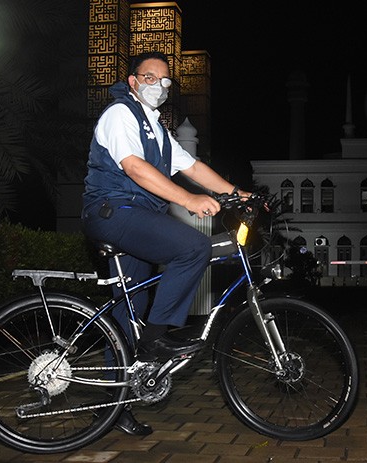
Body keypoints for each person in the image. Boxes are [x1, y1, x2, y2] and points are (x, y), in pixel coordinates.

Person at [81, 51, 245, 436]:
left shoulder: (155, 127)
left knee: (126, 316)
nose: (159, 86)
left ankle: (111, 409)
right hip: (114, 210)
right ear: (134, 81)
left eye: (166, 81)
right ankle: (156, 341)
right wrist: (187, 200)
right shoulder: (120, 114)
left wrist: (239, 192)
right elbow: (134, 167)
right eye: (150, 78)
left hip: (138, 217)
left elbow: (192, 166)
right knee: (193, 248)